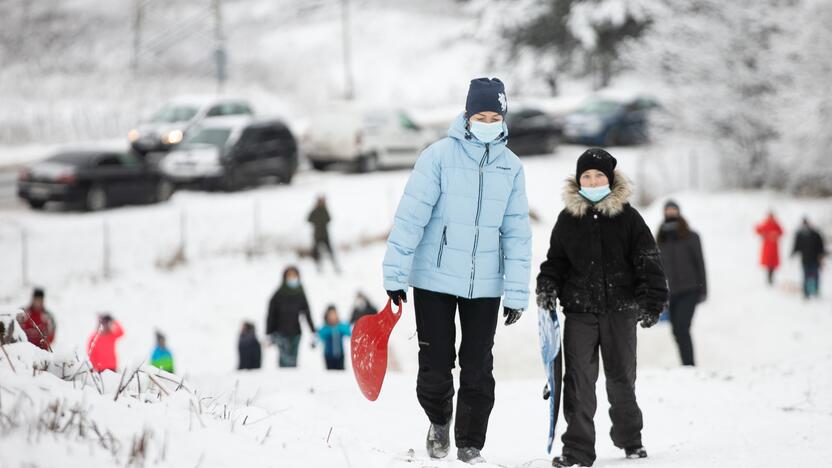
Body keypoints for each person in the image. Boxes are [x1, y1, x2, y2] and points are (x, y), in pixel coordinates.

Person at [383, 77, 532, 464]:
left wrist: (516, 292)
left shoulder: (511, 167)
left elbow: (517, 233)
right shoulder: (437, 157)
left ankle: (470, 444)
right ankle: (438, 419)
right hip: (434, 277)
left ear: (503, 118)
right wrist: (396, 274)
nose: (487, 121)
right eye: (480, 115)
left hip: (485, 283)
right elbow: (410, 219)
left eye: (494, 115)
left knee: (478, 366)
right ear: (466, 117)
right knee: (435, 364)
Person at [536, 148, 668, 467]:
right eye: (586, 176)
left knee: (621, 377)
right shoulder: (569, 219)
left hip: (620, 310)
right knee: (579, 381)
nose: (592, 181)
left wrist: (652, 302)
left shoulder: (628, 218)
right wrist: (547, 285)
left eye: (598, 176)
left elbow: (648, 261)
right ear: (578, 180)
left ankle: (629, 437)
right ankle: (578, 450)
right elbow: (555, 262)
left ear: (610, 179)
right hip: (580, 311)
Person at [656, 200, 707, 366]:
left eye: (673, 210)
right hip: (672, 293)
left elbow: (700, 263)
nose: (670, 213)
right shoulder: (661, 239)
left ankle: (690, 365)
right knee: (676, 330)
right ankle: (686, 365)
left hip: (690, 289)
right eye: (668, 210)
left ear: (678, 212)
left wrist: (703, 290)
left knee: (682, 327)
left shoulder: (691, 236)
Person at [266, 266, 316, 368]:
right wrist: (269, 333)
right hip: (280, 332)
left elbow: (307, 313)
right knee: (284, 359)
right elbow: (271, 315)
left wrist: (313, 330)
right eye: (290, 276)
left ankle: (292, 380)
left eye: (294, 276)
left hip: (296, 332)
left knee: (293, 360)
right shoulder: (278, 294)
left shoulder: (300, 294)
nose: (292, 278)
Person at [792, 217, 827, 299]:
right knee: (806, 276)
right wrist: (793, 253)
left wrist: (821, 255)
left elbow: (821, 246)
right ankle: (806, 292)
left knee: (815, 275)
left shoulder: (816, 234)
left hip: (815, 259)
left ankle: (815, 291)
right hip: (805, 259)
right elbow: (796, 246)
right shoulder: (800, 234)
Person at [308, 195, 340, 273]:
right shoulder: (314, 211)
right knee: (316, 253)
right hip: (317, 235)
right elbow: (308, 219)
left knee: (331, 252)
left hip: (325, 235)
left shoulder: (325, 210)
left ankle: (336, 267)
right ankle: (318, 268)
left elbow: (329, 219)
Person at [317, 305, 352, 370]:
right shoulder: (325, 328)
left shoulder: (340, 326)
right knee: (330, 373)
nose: (332, 317)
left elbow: (349, 333)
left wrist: (337, 328)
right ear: (327, 316)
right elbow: (320, 336)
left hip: (340, 355)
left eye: (334, 314)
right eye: (330, 315)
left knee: (340, 372)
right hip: (328, 356)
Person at [755, 212, 783, 285]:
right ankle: (769, 279)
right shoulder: (766, 223)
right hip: (767, 248)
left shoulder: (776, 224)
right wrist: (765, 234)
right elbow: (758, 230)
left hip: (774, 248)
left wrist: (775, 234)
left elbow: (781, 232)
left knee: (772, 265)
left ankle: (771, 278)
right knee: (768, 264)